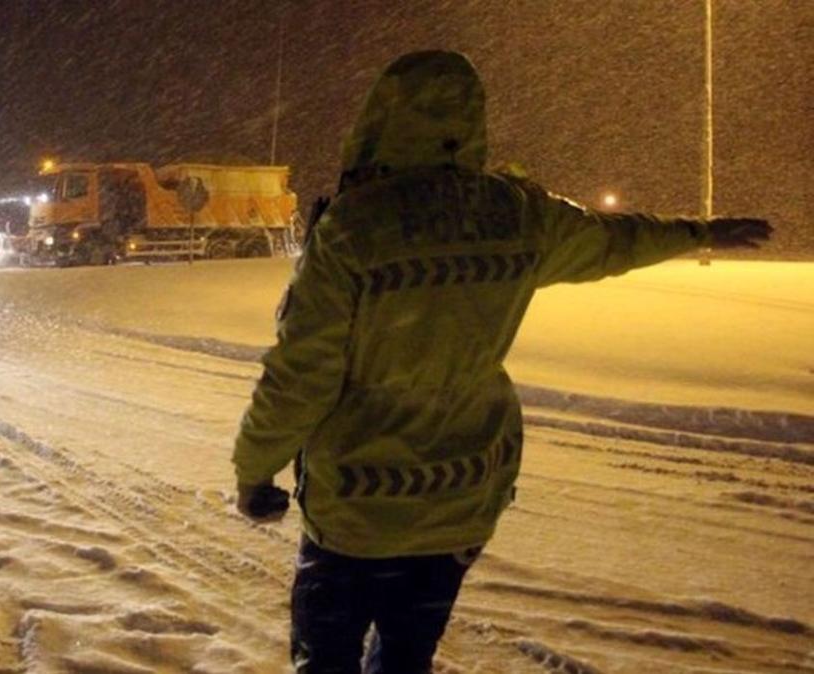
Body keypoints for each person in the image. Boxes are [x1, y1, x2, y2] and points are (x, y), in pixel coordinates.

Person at [232, 50, 771, 674]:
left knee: (325, 659)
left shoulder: (355, 227)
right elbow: (614, 240)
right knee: (408, 656)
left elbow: (301, 376)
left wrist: (254, 472)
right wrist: (698, 233)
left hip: (358, 509)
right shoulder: (515, 212)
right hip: (461, 496)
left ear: (379, 119)